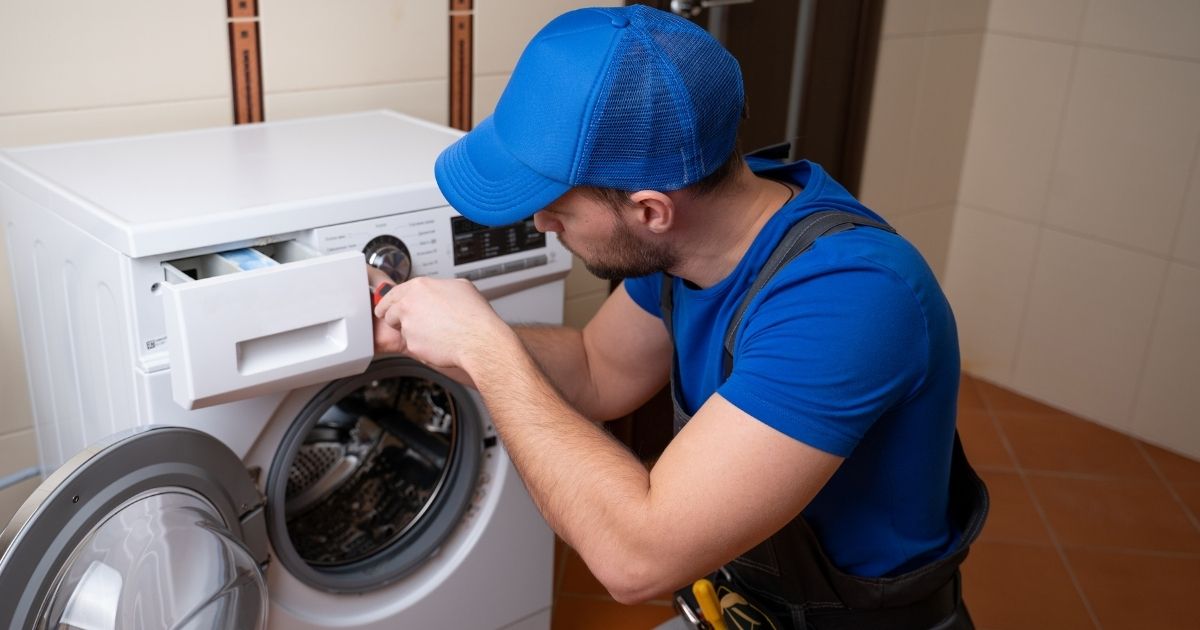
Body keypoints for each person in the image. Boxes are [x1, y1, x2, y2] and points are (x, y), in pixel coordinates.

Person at [372, 5, 986, 629]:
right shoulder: (701, 239)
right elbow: (596, 370)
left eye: (555, 207)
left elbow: (635, 560)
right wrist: (420, 332)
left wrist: (486, 350)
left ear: (650, 210)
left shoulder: (850, 298)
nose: (541, 225)